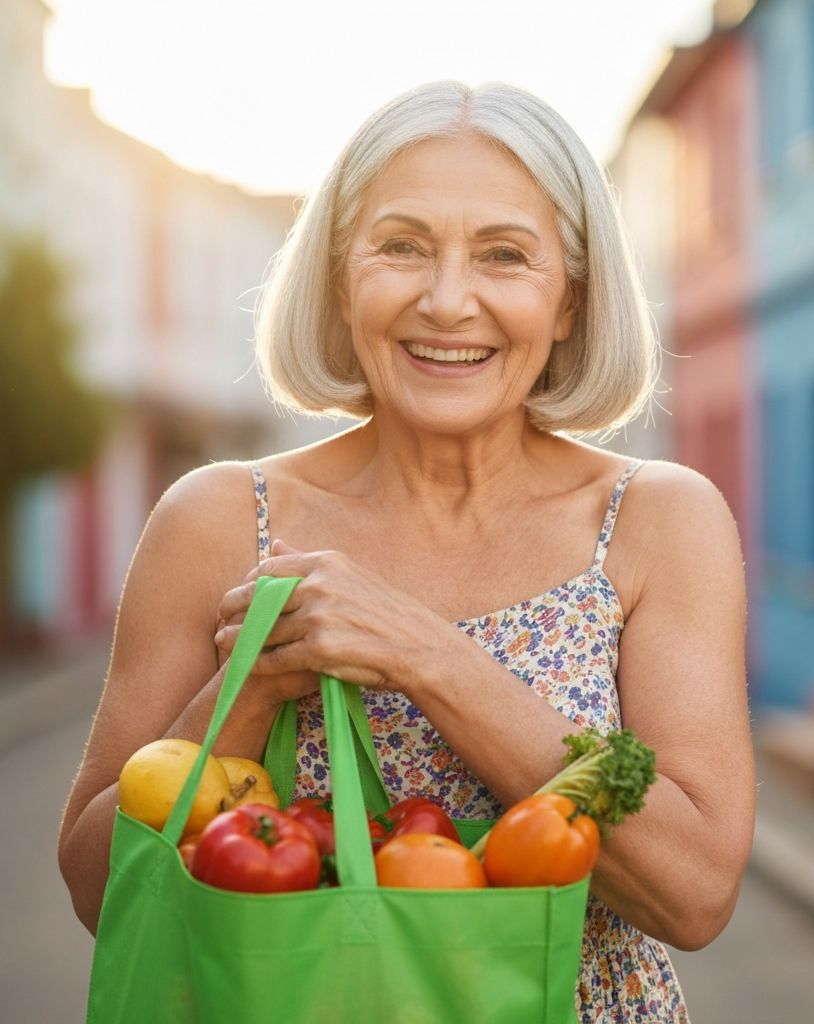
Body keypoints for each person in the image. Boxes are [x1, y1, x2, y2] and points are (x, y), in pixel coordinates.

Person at [58, 80, 755, 1022]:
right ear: (344, 279)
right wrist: (253, 684)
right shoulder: (217, 520)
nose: (447, 299)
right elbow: (102, 892)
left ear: (569, 303)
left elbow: (696, 893)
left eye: (505, 256)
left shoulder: (655, 522)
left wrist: (428, 656)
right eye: (402, 247)